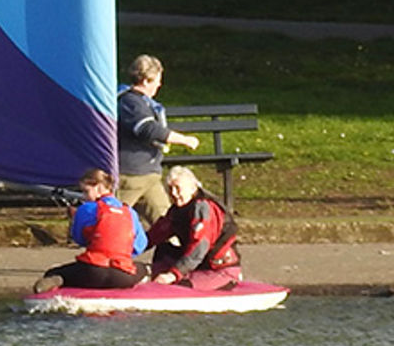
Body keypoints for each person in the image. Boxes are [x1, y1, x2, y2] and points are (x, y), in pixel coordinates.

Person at [117, 54, 201, 226]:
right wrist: (184, 139)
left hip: (149, 175)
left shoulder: (143, 102)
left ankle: (176, 244)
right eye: (157, 80)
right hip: (131, 175)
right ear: (145, 80)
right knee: (110, 221)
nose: (159, 84)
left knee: (167, 224)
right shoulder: (130, 102)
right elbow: (148, 129)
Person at [33, 168, 148, 292]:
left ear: (98, 187)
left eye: (86, 191)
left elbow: (79, 239)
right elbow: (140, 246)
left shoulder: (86, 209)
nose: (84, 196)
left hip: (92, 270)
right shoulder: (130, 212)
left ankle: (58, 279)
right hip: (123, 275)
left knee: (56, 272)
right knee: (142, 268)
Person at [146, 166, 243, 290]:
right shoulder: (176, 210)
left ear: (193, 188)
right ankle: (159, 284)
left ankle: (230, 279)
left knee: (180, 287)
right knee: (163, 250)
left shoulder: (204, 209)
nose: (173, 193)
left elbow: (198, 248)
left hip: (218, 269)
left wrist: (173, 275)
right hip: (197, 265)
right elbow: (155, 235)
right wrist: (126, 253)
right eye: (170, 189)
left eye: (178, 188)